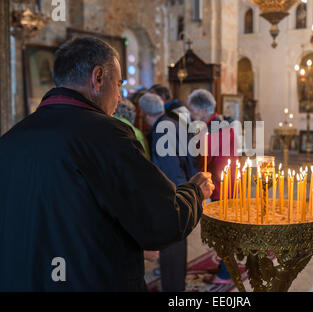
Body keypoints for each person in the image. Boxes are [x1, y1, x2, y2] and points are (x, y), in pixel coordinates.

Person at [0, 37, 214, 291]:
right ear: (98, 77)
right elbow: (165, 221)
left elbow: (63, 219)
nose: (121, 96)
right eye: (119, 84)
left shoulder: (10, 140)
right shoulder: (108, 135)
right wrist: (195, 192)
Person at [138, 92, 199, 292]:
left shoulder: (162, 129)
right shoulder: (174, 121)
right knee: (177, 244)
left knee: (172, 245)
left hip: (172, 193)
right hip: (184, 185)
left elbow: (168, 168)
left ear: (145, 114)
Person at [187, 89, 239, 285]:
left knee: (223, 231)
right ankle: (225, 268)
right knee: (222, 230)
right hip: (224, 184)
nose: (191, 114)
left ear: (202, 109)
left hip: (222, 187)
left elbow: (214, 162)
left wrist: (206, 186)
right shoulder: (216, 124)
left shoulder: (215, 128)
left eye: (192, 110)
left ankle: (226, 273)